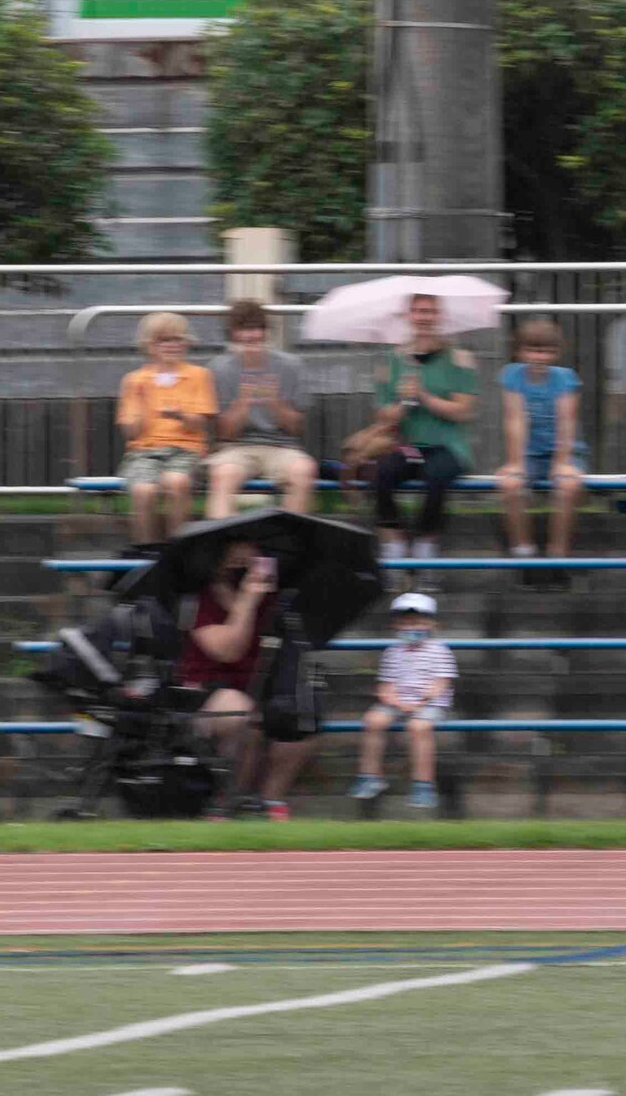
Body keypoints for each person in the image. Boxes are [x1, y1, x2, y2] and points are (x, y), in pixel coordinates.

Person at [176, 541, 314, 820]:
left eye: (253, 550)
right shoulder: (200, 599)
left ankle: (270, 799)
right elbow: (228, 651)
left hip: (260, 685)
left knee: (302, 721)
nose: (247, 556)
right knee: (241, 714)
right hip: (208, 692)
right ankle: (228, 798)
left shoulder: (273, 596)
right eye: (238, 550)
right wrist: (247, 601)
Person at [370, 295, 479, 569]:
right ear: (409, 316)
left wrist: (425, 396)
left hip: (448, 445)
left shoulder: (459, 359)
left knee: (436, 475)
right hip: (411, 446)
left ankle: (424, 543)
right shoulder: (393, 360)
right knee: (381, 472)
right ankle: (394, 540)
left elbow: (463, 410)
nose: (424, 317)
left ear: (439, 316)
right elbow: (383, 415)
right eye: (418, 311)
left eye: (430, 311)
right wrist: (404, 402)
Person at [495, 319, 588, 588]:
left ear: (556, 352)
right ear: (521, 351)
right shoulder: (512, 375)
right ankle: (524, 554)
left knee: (567, 486)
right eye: (533, 350)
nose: (539, 357)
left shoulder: (564, 378)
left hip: (564, 450)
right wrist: (515, 462)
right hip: (530, 453)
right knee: (510, 485)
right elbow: (514, 420)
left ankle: (557, 556)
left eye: (546, 351)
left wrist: (561, 463)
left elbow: (567, 421)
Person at [206, 299, 315, 519]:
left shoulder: (291, 365)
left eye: (256, 328)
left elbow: (296, 429)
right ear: (233, 334)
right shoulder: (219, 368)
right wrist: (243, 404)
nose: (251, 336)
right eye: (243, 329)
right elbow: (224, 433)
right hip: (236, 448)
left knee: (303, 471)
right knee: (222, 476)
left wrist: (274, 402)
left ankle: (286, 544)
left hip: (282, 447)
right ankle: (229, 546)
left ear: (265, 332)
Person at [348, 592, 457, 810]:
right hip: (398, 701)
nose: (411, 627)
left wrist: (421, 701)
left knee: (418, 727)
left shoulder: (440, 650)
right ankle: (369, 776)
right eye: (405, 623)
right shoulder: (392, 652)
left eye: (416, 622)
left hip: (429, 703)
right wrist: (395, 701)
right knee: (373, 720)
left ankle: (423, 785)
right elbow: (385, 685)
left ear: (431, 624)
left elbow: (442, 682)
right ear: (396, 625)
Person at [116, 312, 217, 545]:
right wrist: (142, 402)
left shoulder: (199, 376)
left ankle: (177, 548)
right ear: (149, 345)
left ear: (186, 343)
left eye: (177, 339)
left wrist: (179, 415)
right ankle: (146, 549)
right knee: (143, 491)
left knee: (177, 482)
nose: (171, 345)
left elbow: (201, 424)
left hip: (185, 450)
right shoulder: (134, 380)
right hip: (144, 451)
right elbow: (131, 432)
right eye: (163, 340)